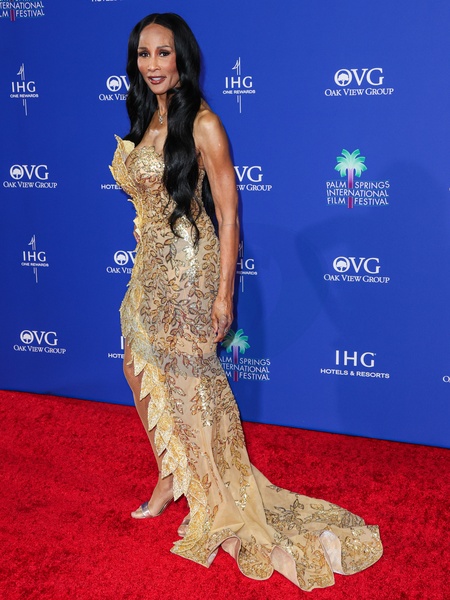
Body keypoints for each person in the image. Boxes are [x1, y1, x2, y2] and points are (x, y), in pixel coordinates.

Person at [110, 12, 383, 592]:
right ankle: (169, 474)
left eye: (163, 53)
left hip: (190, 268)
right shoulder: (144, 116)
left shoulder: (204, 123)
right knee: (138, 368)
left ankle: (206, 490)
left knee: (191, 384)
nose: (152, 64)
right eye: (143, 54)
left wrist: (223, 292)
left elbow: (229, 212)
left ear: (182, 57)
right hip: (147, 266)